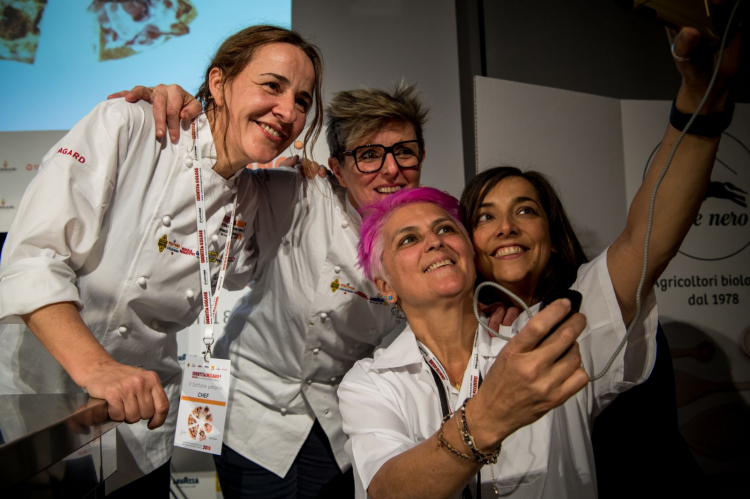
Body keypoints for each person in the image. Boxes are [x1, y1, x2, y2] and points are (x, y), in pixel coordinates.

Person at [339, 24, 738, 498]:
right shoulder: (370, 383)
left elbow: (646, 239)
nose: (434, 241)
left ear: (470, 251)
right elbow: (388, 493)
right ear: (386, 286)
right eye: (408, 239)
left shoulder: (553, 335)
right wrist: (490, 415)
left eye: (447, 228)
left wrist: (701, 103)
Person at [0, 25, 322, 496]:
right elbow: (34, 255)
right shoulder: (131, 125)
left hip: (144, 424)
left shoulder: (249, 194)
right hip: (40, 398)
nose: (288, 111)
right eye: (272, 85)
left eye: (303, 101)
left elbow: (235, 273)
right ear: (218, 83)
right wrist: (98, 369)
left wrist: (312, 174)